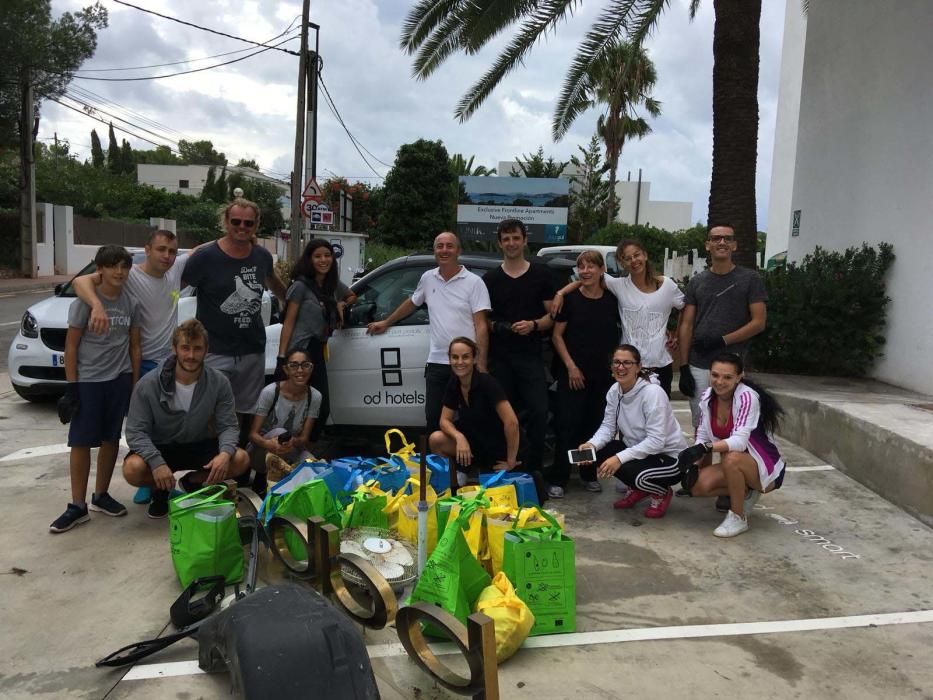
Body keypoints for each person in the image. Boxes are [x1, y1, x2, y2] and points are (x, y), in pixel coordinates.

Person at [73, 228, 192, 506]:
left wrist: (241, 232)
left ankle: (156, 482)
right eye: (161, 249)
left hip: (167, 364)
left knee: (165, 428)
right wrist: (96, 306)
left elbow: (203, 249)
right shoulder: (127, 274)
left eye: (172, 251)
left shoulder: (174, 271)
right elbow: (81, 281)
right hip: (139, 363)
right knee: (141, 427)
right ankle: (147, 482)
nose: (167, 255)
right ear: (147, 249)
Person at [676, 224, 768, 512]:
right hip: (700, 365)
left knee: (736, 427)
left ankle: (735, 482)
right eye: (716, 238)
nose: (721, 243)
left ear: (735, 245)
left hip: (732, 367)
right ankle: (700, 477)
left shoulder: (749, 279)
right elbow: (687, 324)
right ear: (707, 245)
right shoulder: (698, 281)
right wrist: (683, 366)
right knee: (702, 425)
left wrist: (723, 340)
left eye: (727, 238)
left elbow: (758, 322)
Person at [50, 245, 141, 533]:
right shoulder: (84, 303)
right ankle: (77, 505)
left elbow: (134, 346)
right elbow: (71, 346)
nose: (119, 272)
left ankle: (101, 495)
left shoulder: (131, 303)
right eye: (112, 266)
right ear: (99, 269)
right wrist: (72, 386)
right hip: (89, 380)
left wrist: (134, 384)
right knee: (80, 441)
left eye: (124, 266)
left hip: (119, 378)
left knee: (110, 438)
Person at [123, 319, 250, 519]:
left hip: (199, 443)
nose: (191, 355)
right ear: (174, 349)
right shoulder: (148, 384)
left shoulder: (219, 382)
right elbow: (135, 431)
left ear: (206, 350)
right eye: (185, 348)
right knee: (132, 469)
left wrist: (224, 454)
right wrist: (156, 463)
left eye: (197, 349)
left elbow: (229, 425)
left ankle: (192, 482)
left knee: (241, 458)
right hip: (162, 446)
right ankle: (162, 490)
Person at [181, 198, 287, 430]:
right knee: (211, 410)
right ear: (226, 222)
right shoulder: (205, 257)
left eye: (248, 223)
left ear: (256, 225)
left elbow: (277, 286)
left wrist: (298, 302)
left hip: (251, 349)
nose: (242, 227)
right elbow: (171, 287)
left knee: (241, 413)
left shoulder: (262, 257)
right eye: (236, 222)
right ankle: (210, 461)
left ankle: (232, 460)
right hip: (214, 350)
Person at [368, 232, 491, 432]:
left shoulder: (474, 282)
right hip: (437, 363)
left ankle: (466, 461)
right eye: (439, 246)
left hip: (465, 363)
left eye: (449, 246)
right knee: (434, 418)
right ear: (434, 251)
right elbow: (412, 302)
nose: (444, 250)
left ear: (458, 251)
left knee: (469, 420)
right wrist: (387, 322)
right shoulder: (428, 278)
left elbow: (482, 325)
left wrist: (481, 363)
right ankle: (439, 461)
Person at [552, 239, 684, 396]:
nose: (634, 261)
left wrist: (676, 334)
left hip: (660, 366)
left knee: (658, 417)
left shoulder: (667, 285)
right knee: (626, 418)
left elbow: (686, 307)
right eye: (627, 258)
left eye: (637, 255)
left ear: (645, 255)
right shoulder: (618, 285)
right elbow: (587, 279)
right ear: (622, 263)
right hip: (627, 368)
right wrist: (561, 293)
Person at [677, 352, 786, 538]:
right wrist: (695, 461)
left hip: (763, 470)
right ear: (709, 374)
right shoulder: (707, 397)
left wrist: (706, 448)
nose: (720, 381)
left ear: (739, 377)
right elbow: (703, 434)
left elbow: (740, 441)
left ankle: (738, 517)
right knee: (696, 487)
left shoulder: (747, 397)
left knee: (731, 457)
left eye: (727, 377)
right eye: (715, 375)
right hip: (735, 464)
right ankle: (746, 491)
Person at [482, 218, 554, 480]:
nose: (511, 243)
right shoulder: (490, 279)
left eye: (516, 238)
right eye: (506, 238)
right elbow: (481, 321)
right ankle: (504, 465)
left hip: (531, 357)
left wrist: (534, 325)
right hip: (499, 358)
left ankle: (532, 468)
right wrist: (498, 327)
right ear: (499, 243)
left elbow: (551, 317)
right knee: (502, 414)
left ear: (525, 240)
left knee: (538, 412)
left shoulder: (541, 275)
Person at [578, 345, 687, 518]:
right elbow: (608, 427)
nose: (621, 367)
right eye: (616, 362)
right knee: (597, 453)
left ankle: (661, 492)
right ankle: (640, 490)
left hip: (670, 458)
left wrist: (619, 458)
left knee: (637, 475)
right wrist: (591, 444)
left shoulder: (653, 393)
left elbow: (656, 441)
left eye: (627, 363)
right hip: (640, 451)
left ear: (638, 366)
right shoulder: (615, 390)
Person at [546, 250, 620, 498]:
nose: (586, 271)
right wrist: (570, 366)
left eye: (591, 266)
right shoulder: (570, 300)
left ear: (602, 270)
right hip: (573, 374)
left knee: (593, 426)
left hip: (603, 375)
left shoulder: (612, 300)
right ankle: (560, 477)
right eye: (581, 267)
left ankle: (588, 474)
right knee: (567, 425)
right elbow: (556, 336)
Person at [277, 238, 356, 441]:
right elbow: (288, 323)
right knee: (294, 403)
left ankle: (305, 447)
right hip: (299, 351)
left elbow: (352, 296)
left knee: (320, 405)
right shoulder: (301, 286)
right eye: (318, 256)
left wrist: (341, 304)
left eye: (327, 255)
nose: (323, 260)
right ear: (309, 259)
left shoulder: (331, 284)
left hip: (318, 350)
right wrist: (282, 357)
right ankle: (282, 449)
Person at [428, 337, 523, 488]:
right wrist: (459, 438)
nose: (460, 362)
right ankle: (454, 485)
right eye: (455, 357)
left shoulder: (488, 383)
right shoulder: (454, 382)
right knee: (436, 439)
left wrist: (511, 460)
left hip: (497, 447)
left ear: (474, 359)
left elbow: (512, 422)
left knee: (493, 495)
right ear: (449, 359)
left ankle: (492, 471)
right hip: (473, 444)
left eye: (465, 357)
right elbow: (444, 421)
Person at [247, 347, 322, 494]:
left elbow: (304, 438)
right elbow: (253, 434)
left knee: (315, 468)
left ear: (311, 368)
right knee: (281, 433)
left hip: (291, 449)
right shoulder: (270, 392)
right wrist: (270, 444)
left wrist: (292, 442)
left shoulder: (315, 396)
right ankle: (263, 484)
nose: (300, 370)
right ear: (286, 370)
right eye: (294, 365)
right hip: (260, 452)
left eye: (305, 365)